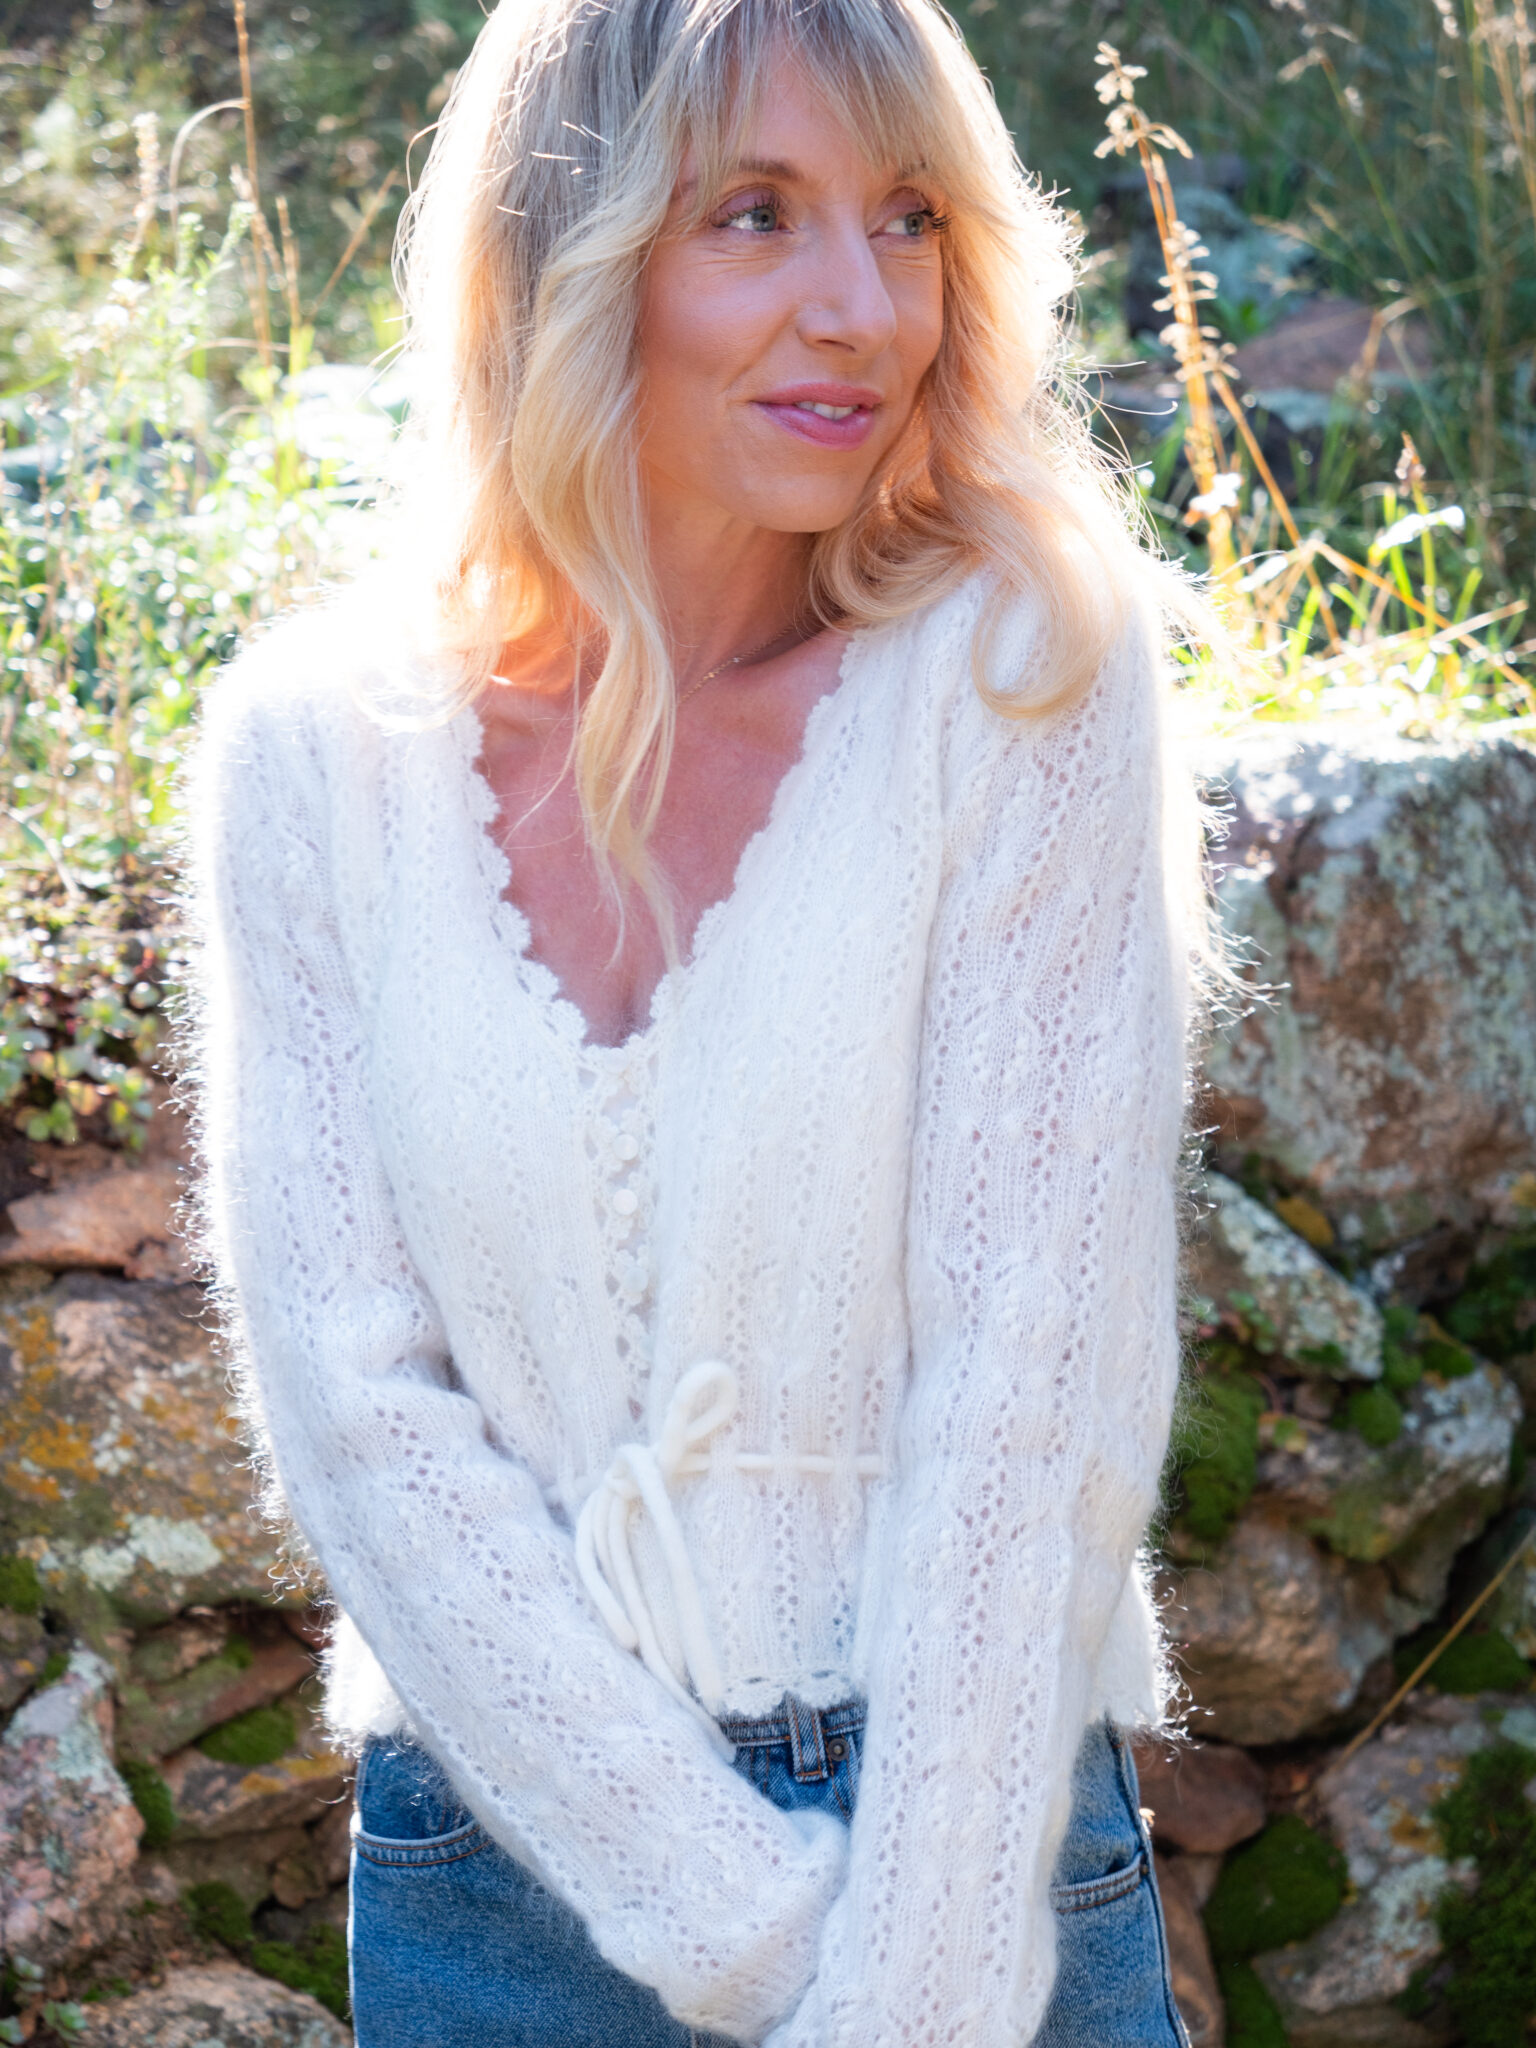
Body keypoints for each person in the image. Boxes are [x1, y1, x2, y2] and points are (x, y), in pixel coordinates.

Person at [189, 0, 1203, 2041]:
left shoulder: (1021, 677)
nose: (863, 308)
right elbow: (351, 1393)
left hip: (967, 1863)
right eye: (754, 214)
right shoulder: (313, 752)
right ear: (560, 256)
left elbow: (1034, 1377)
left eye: (909, 218)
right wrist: (728, 1916)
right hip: (504, 1880)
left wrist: (909, 1985)